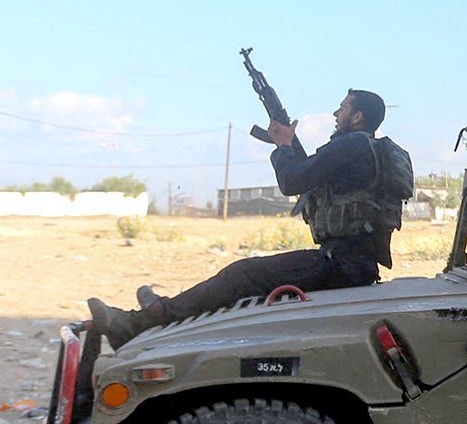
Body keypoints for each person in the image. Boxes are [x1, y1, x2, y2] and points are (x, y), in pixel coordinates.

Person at [88, 90, 411, 345]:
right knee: (246, 281)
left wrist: (283, 144)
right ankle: (161, 312)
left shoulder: (352, 146)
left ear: (357, 117)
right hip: (352, 261)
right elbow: (310, 178)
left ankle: (138, 323)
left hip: (340, 264)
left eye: (342, 108)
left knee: (241, 276)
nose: (335, 114)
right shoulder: (367, 150)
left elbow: (292, 182)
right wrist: (288, 144)